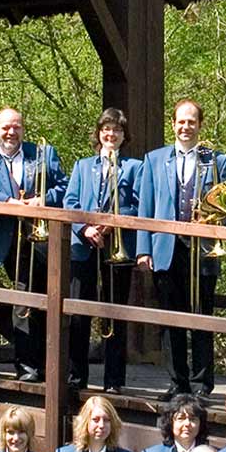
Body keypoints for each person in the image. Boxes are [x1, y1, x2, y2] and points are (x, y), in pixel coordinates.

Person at [134, 99, 226, 401]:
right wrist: (143, 248)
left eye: (192, 121)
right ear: (173, 124)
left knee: (203, 315)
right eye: (181, 121)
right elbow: (145, 207)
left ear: (200, 125)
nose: (186, 126)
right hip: (166, 247)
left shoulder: (218, 160)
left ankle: (202, 383)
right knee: (170, 318)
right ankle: (177, 381)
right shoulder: (154, 159)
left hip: (203, 249)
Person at [0, 106, 66, 382]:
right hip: (5, 239)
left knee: (45, 299)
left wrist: (39, 202)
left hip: (42, 237)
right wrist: (7, 202)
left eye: (17, 126)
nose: (11, 132)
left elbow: (64, 187)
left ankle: (46, 365)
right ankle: (28, 365)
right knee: (23, 299)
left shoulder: (43, 153)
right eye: (6, 127)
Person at [63, 109, 142, 391]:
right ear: (99, 133)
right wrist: (85, 229)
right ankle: (76, 376)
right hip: (84, 245)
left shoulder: (135, 167)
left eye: (117, 131)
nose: (111, 135)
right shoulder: (83, 166)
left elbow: (137, 205)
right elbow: (70, 203)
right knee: (78, 312)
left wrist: (110, 224)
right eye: (106, 129)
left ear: (124, 136)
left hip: (115, 245)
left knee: (114, 314)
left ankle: (114, 380)